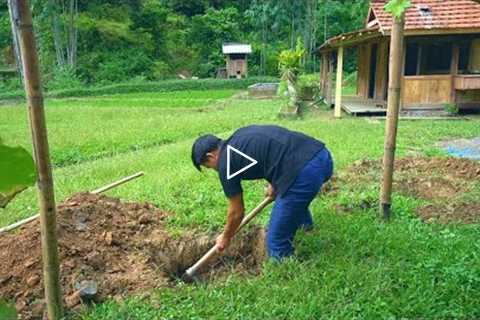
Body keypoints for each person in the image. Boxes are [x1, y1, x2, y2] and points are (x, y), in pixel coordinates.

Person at [191, 125, 333, 260]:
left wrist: (226, 236)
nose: (213, 169)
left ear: (211, 156)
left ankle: (285, 270)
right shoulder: (239, 137)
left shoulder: (225, 164)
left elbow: (236, 212)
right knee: (290, 195)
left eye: (208, 166)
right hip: (322, 157)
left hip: (305, 173)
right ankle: (304, 228)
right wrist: (274, 182)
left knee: (275, 242)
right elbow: (268, 151)